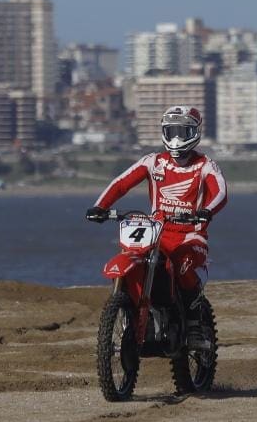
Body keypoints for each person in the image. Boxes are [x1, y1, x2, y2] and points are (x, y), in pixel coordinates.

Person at [85, 105, 227, 311]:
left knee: (183, 267)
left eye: (182, 132)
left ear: (195, 132)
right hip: (156, 231)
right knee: (135, 257)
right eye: (172, 131)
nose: (176, 138)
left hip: (190, 235)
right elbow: (121, 184)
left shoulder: (206, 165)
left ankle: (195, 321)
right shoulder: (153, 161)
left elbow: (221, 193)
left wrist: (205, 212)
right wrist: (100, 207)